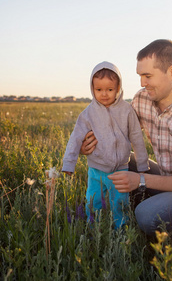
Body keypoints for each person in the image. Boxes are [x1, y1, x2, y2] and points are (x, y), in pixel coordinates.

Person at [81, 40, 172, 241]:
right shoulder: (142, 99)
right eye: (140, 76)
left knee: (145, 215)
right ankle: (110, 215)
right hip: (168, 177)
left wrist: (141, 181)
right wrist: (87, 145)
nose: (142, 83)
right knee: (126, 160)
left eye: (148, 76)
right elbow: (118, 134)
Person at [62, 61, 149, 229]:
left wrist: (142, 163)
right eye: (99, 89)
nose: (104, 94)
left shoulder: (126, 110)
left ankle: (121, 230)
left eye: (110, 89)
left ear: (118, 88)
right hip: (96, 169)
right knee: (93, 201)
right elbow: (75, 139)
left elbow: (137, 137)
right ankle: (92, 228)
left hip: (121, 169)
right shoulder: (88, 114)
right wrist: (69, 163)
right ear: (92, 89)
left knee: (120, 203)